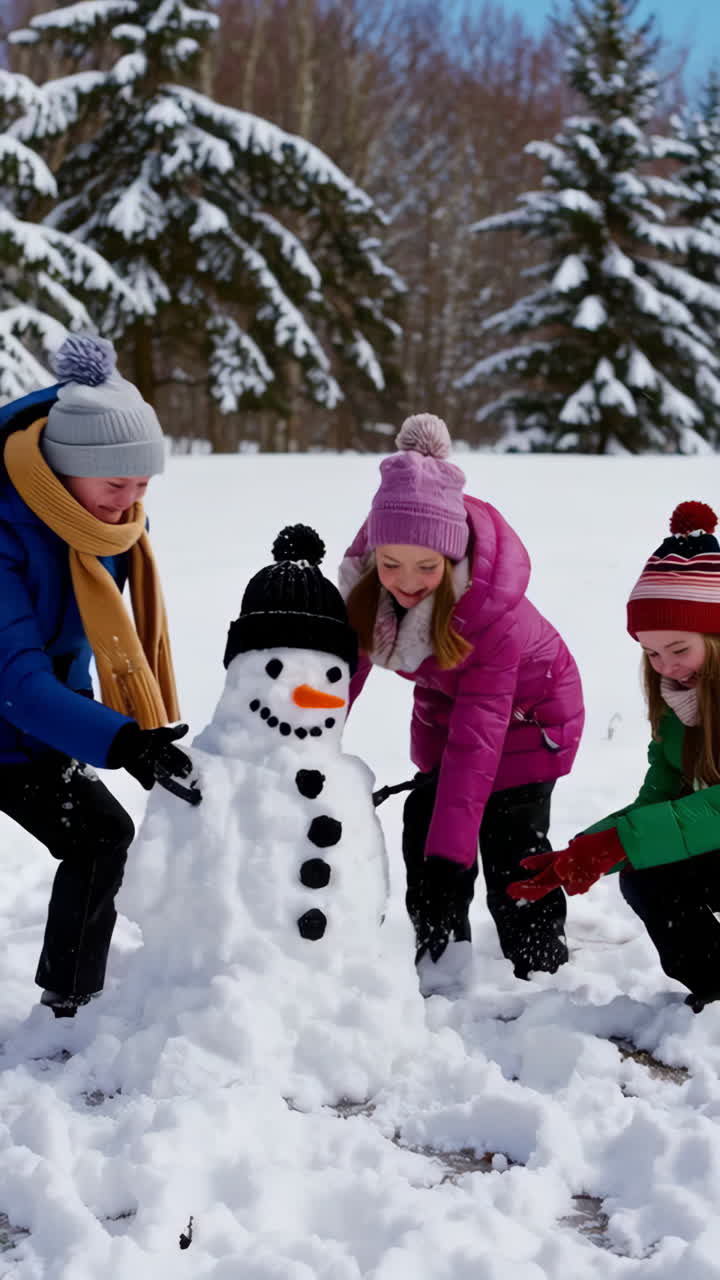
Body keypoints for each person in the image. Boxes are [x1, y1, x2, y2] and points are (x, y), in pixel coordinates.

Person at [339, 413, 584, 987]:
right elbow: (343, 671)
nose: (407, 580)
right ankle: (442, 955)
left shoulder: (490, 619)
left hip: (532, 717)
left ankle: (539, 963)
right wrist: (311, 740)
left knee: (510, 839)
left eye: (427, 567)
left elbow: (480, 740)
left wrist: (452, 859)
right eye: (392, 563)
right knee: (425, 820)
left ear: (453, 560)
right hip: (451, 712)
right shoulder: (372, 585)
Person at [0, 334, 200, 1019]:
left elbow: (73, 650)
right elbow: (19, 681)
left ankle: (71, 999)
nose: (130, 503)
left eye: (142, 485)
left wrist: (132, 729)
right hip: (13, 709)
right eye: (116, 484)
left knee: (98, 834)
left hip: (26, 729)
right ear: (63, 468)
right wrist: (118, 743)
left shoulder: (98, 529)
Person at [508, 499, 720, 1014]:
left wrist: (618, 842)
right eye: (651, 652)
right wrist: (583, 852)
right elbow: (659, 800)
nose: (666, 665)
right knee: (649, 873)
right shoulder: (680, 708)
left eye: (679, 648)